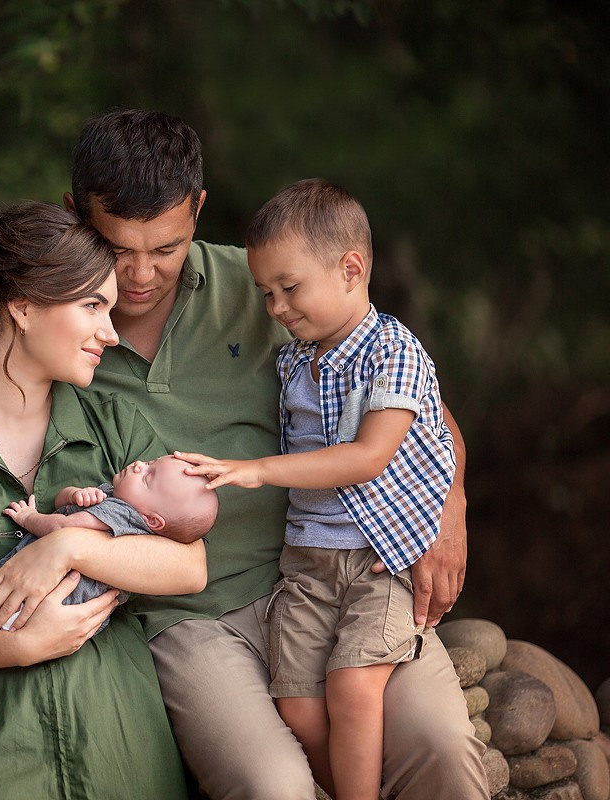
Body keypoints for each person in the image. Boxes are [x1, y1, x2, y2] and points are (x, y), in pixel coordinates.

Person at [0, 110, 487, 800]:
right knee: (274, 787)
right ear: (74, 213)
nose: (141, 275)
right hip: (182, 622)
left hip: (322, 577)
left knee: (441, 749)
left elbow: (408, 393)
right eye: (118, 248)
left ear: (198, 210)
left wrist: (449, 503)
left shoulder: (268, 286)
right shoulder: (52, 339)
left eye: (166, 248)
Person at [0, 200, 206, 799]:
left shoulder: (117, 427)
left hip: (123, 754)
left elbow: (189, 564)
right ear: (23, 308)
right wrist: (19, 645)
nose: (111, 329)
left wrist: (69, 546)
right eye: (92, 306)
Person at [177, 178, 456, 800]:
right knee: (297, 705)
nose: (274, 308)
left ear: (352, 269)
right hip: (306, 565)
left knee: (354, 688)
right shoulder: (295, 360)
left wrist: (256, 469)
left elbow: (368, 457)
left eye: (289, 289)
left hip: (379, 563)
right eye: (265, 293)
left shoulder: (395, 352)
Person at [0, 454, 219, 651]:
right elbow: (65, 506)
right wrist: (74, 493)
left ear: (152, 520)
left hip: (54, 598)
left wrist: (30, 518)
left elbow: (62, 529)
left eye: (148, 477)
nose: (137, 466)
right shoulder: (119, 500)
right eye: (148, 463)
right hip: (55, 604)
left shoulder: (123, 515)